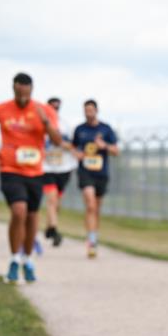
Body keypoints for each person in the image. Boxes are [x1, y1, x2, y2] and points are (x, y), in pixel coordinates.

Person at [0, 72, 62, 283]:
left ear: (32, 90)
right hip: (10, 169)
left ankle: (27, 259)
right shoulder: (0, 109)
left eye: (27, 94)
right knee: (19, 211)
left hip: (35, 171)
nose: (24, 99)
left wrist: (46, 122)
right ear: (14, 89)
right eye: (20, 94)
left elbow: (57, 140)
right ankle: (15, 258)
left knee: (32, 216)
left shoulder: (45, 110)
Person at [72, 99, 119, 258]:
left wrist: (104, 146)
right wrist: (76, 154)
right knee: (90, 205)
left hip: (101, 173)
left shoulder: (106, 129)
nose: (88, 113)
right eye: (86, 110)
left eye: (91, 110)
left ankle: (93, 236)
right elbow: (73, 147)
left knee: (96, 208)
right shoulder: (79, 130)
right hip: (85, 172)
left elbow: (115, 151)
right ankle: (91, 241)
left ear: (96, 111)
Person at [41, 97, 77, 247]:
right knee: (51, 199)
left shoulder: (65, 125)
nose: (54, 110)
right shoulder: (40, 124)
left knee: (57, 203)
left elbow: (73, 145)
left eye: (57, 107)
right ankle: (55, 231)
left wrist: (62, 143)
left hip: (64, 168)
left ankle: (49, 227)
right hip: (46, 168)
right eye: (52, 107)